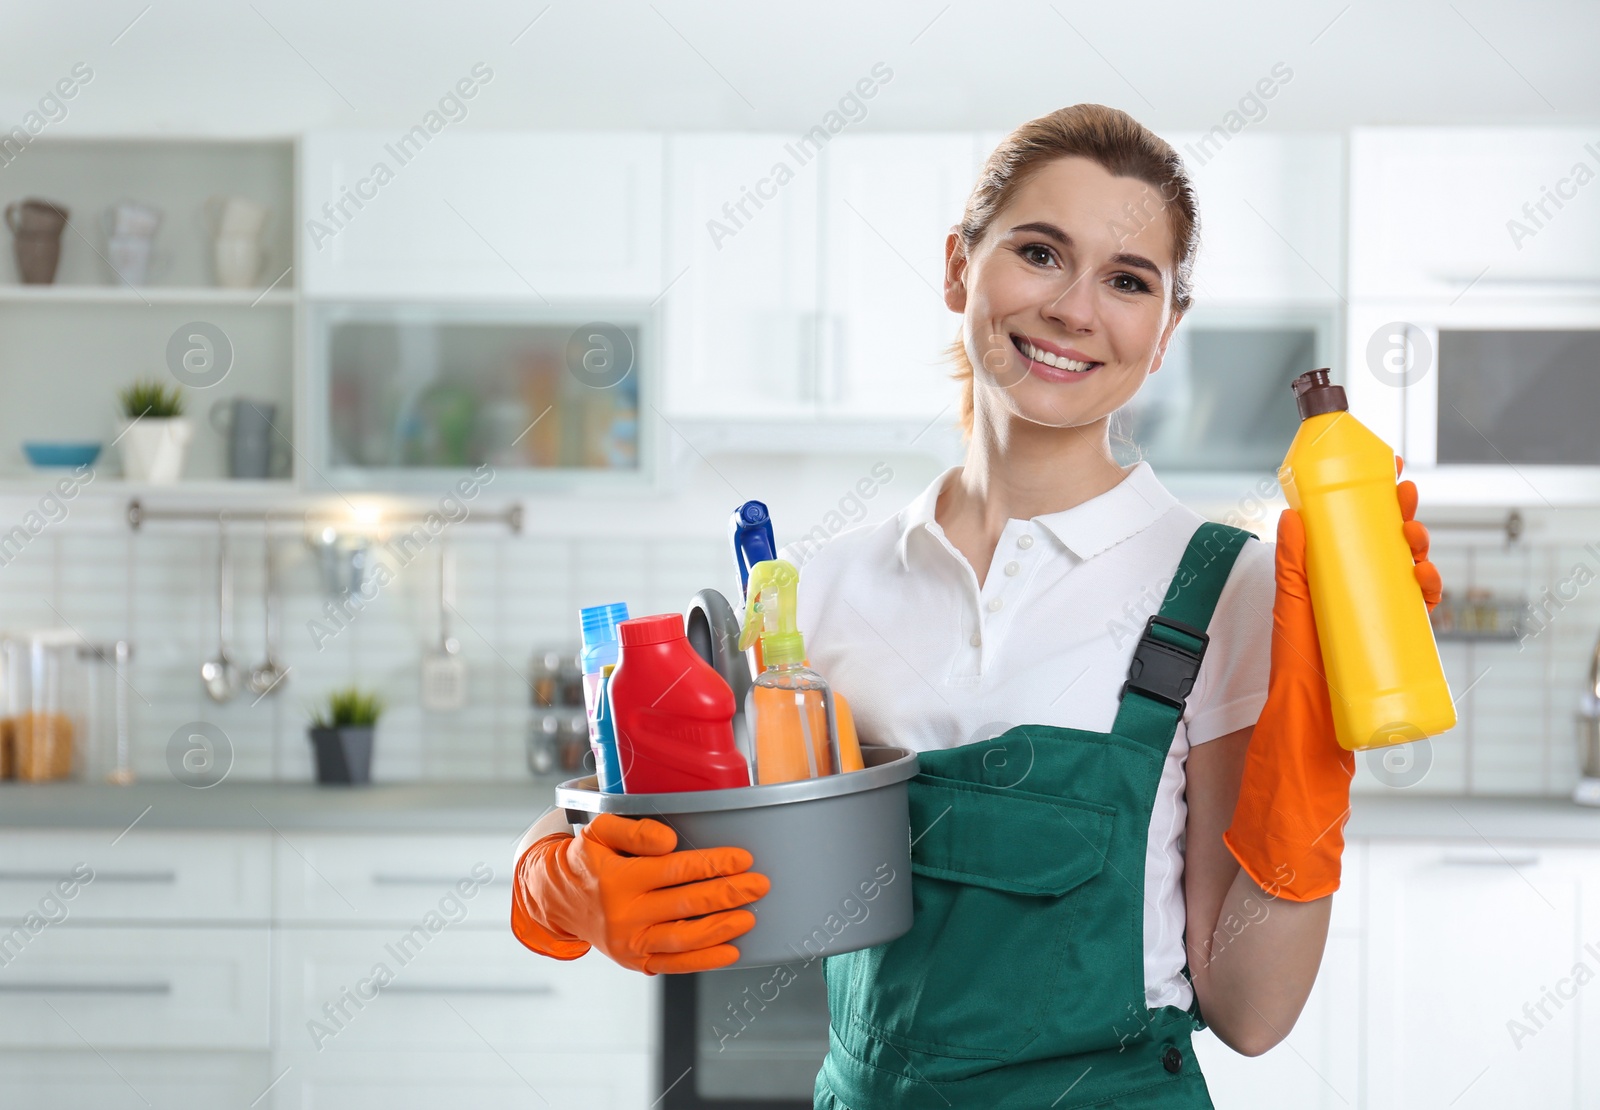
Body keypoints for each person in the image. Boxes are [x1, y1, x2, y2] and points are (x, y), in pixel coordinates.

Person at [508, 104, 1442, 1109]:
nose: (1076, 309)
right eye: (1040, 253)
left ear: (1164, 329)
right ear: (960, 268)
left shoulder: (1230, 589)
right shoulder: (822, 590)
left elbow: (1250, 1013)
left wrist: (1308, 776)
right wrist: (553, 877)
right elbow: (662, 812)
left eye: (1127, 280)